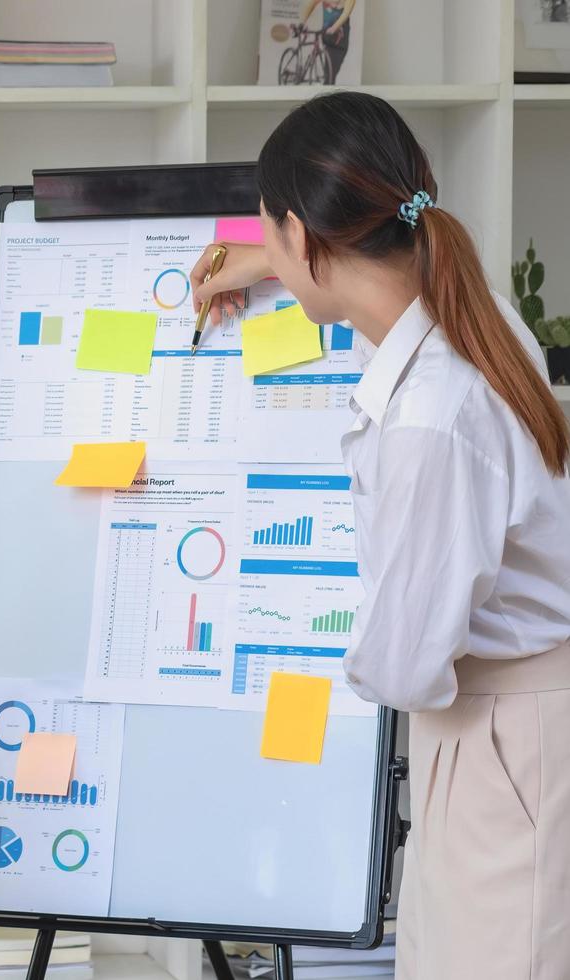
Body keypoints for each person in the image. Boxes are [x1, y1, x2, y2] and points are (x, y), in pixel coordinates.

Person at [191, 92, 570, 979]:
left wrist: (271, 656)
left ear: (307, 234)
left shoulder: (433, 421)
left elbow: (400, 665)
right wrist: (270, 263)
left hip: (501, 743)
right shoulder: (466, 309)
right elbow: (367, 304)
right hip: (509, 728)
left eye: (274, 237)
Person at [301, 0, 355, 84]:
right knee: (328, 74)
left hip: (339, 40)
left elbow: (346, 14)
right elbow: (310, 5)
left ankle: (327, 90)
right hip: (327, 36)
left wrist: (334, 27)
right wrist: (302, 22)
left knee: (331, 74)